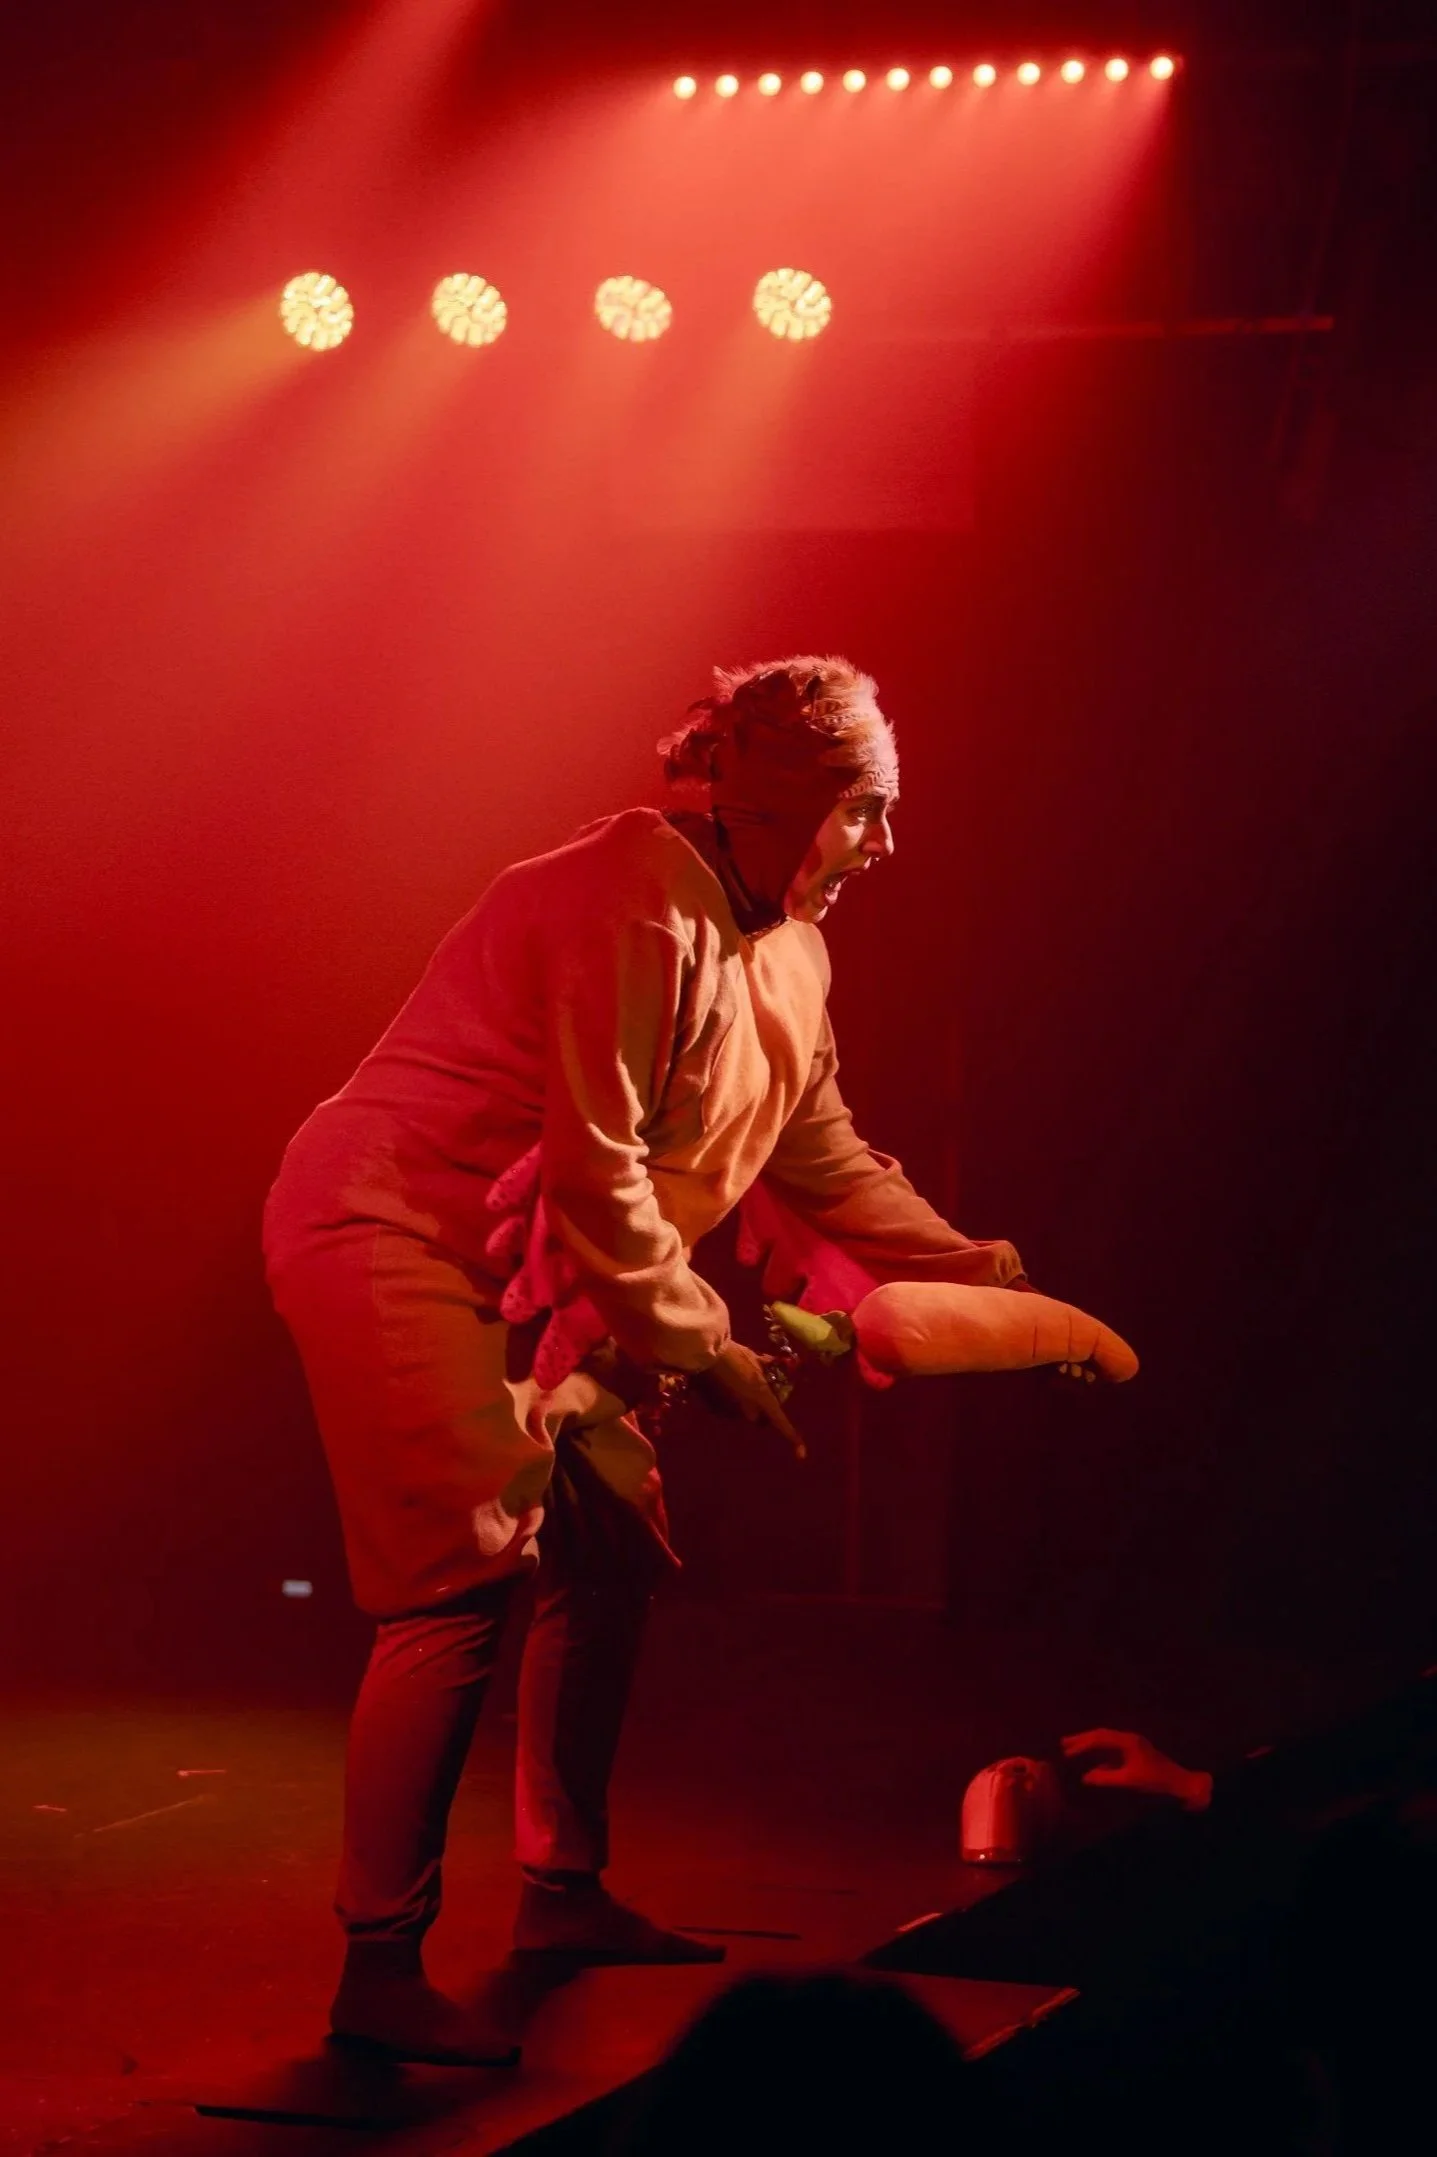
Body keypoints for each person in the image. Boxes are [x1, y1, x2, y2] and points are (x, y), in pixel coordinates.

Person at [263, 655, 1027, 2064]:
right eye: (866, 809)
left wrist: (969, 1265)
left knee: (609, 1543)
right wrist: (708, 1345)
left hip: (556, 1258)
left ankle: (561, 1890)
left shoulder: (790, 949)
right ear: (784, 803)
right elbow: (596, 1164)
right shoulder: (627, 902)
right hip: (401, 1229)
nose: (884, 843)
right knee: (462, 1575)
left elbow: (821, 1153)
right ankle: (378, 1965)